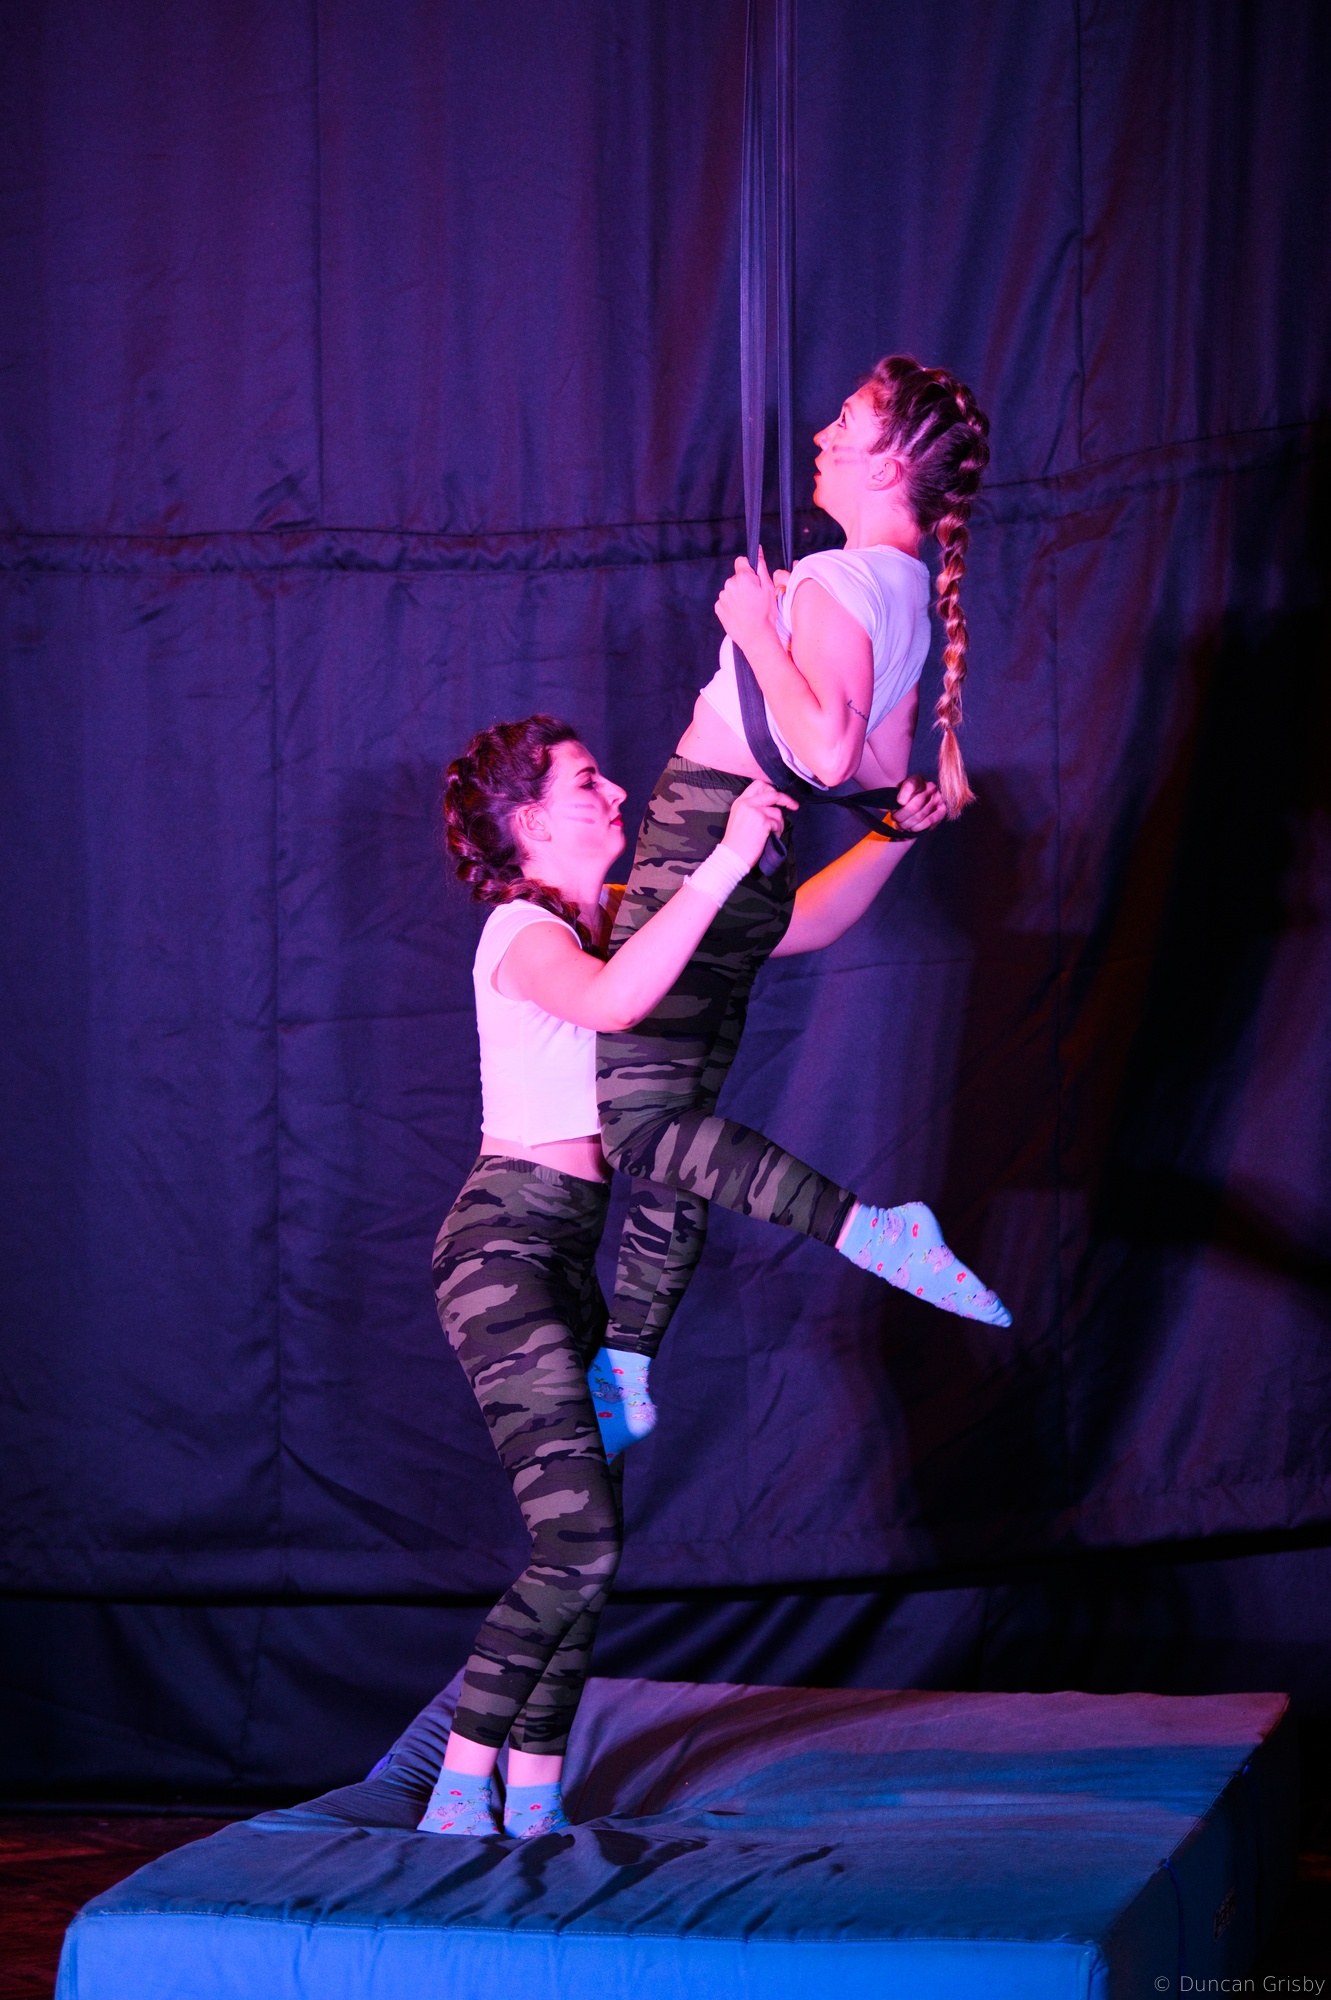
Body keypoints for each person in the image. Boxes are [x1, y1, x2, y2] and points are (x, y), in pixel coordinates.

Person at [417, 706, 1004, 1839]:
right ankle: (460, 1780)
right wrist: (724, 854)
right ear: (530, 823)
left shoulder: (628, 914)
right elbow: (615, 1001)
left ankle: (530, 1792)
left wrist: (891, 833)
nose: (616, 794)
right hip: (501, 1250)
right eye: (585, 783)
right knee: (577, 1539)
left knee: (589, 1544)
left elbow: (796, 923)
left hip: (576, 1254)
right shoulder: (518, 933)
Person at [593, 356, 1004, 1452]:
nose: (819, 435)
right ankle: (626, 1360)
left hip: (705, 838)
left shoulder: (835, 578)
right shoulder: (902, 588)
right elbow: (868, 762)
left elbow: (822, 750)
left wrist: (754, 628)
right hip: (750, 848)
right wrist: (892, 807)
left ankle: (869, 1232)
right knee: (673, 1124)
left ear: (891, 461)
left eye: (844, 420)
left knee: (642, 1122)